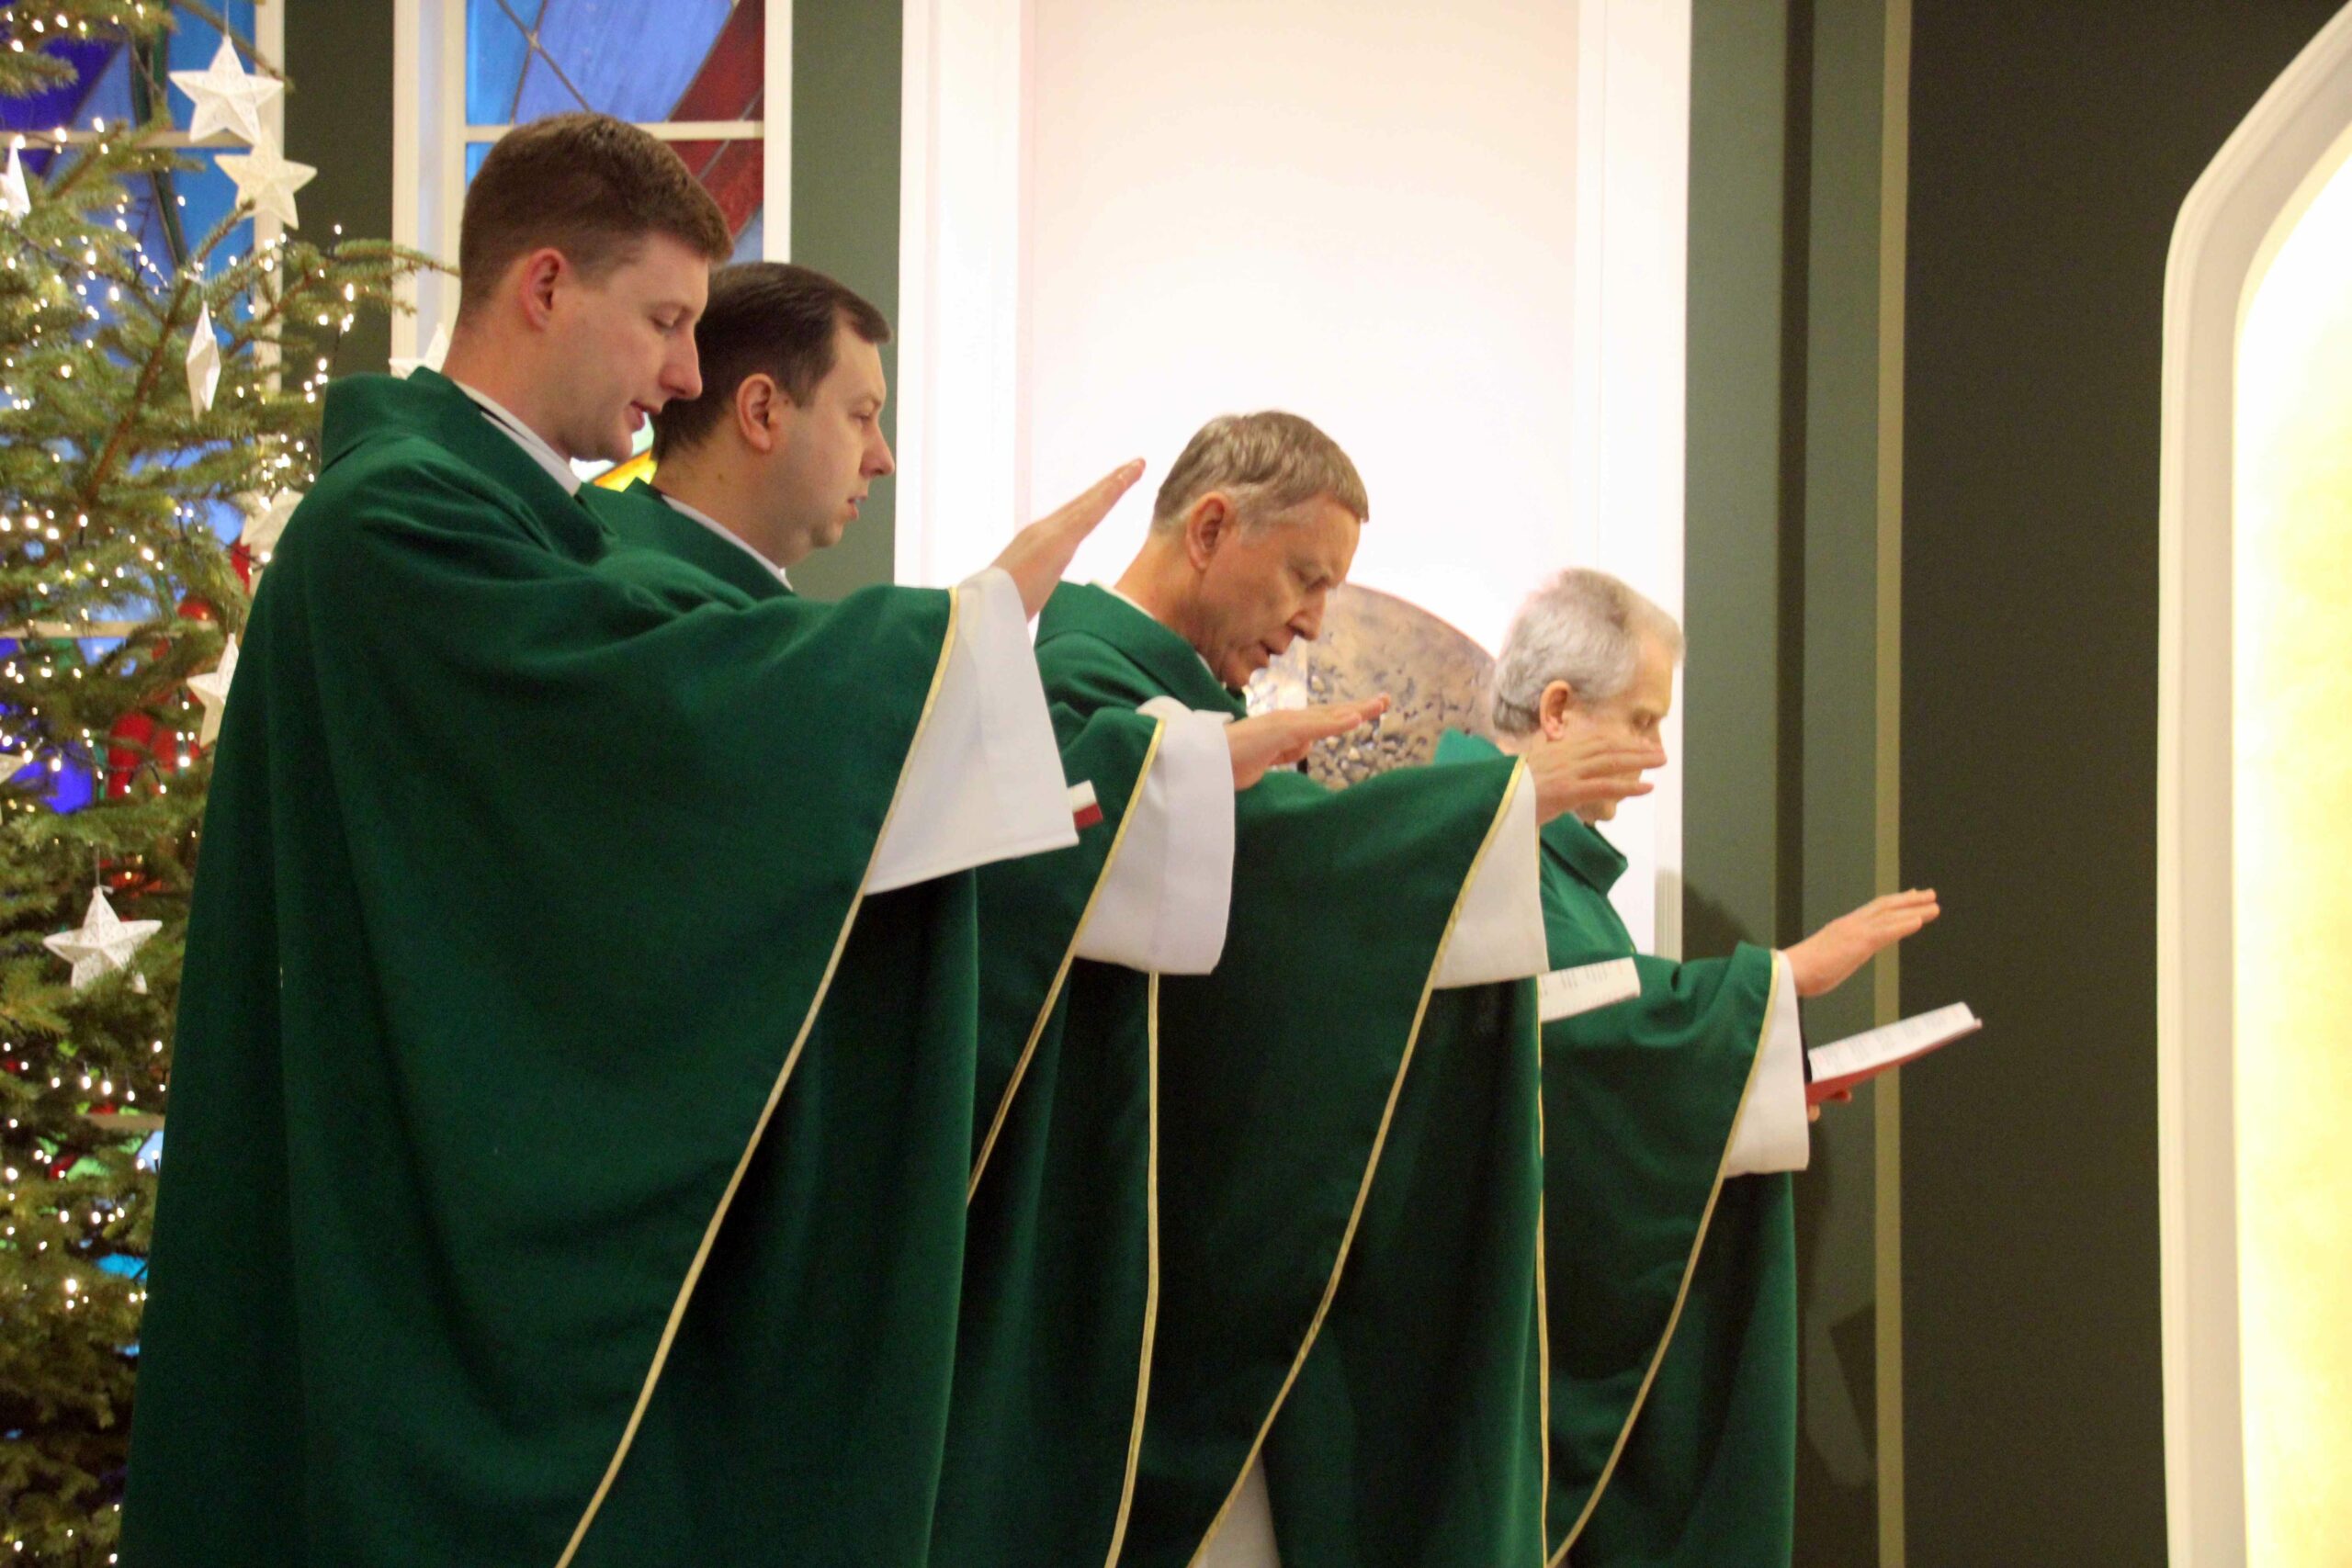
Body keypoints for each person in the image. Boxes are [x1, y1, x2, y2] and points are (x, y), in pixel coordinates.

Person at [121, 112, 1162, 1567]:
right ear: (546, 285)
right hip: (392, 1198)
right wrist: (964, 633)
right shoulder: (403, 524)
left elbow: (618, 805)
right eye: (667, 322)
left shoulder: (512, 524)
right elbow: (642, 754)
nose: (686, 374)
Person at [582, 260, 1385, 1566]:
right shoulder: (640, 595)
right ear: (765, 410)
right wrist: (1159, 758)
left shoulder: (751, 617)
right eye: (863, 414)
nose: (884, 455)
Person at [1036, 412, 1668, 1568]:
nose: (1316, 621)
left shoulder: (1186, 704)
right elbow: (1278, 880)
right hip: (1116, 1251)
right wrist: (1494, 803)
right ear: (1210, 529)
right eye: (1305, 576)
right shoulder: (1082, 689)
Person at [1437, 568, 1939, 1568]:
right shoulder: (1465, 846)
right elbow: (1561, 1058)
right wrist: (1783, 979)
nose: (1658, 754)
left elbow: (1604, 1056)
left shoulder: (1551, 865)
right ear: (1558, 710)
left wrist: (1761, 1082)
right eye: (1642, 720)